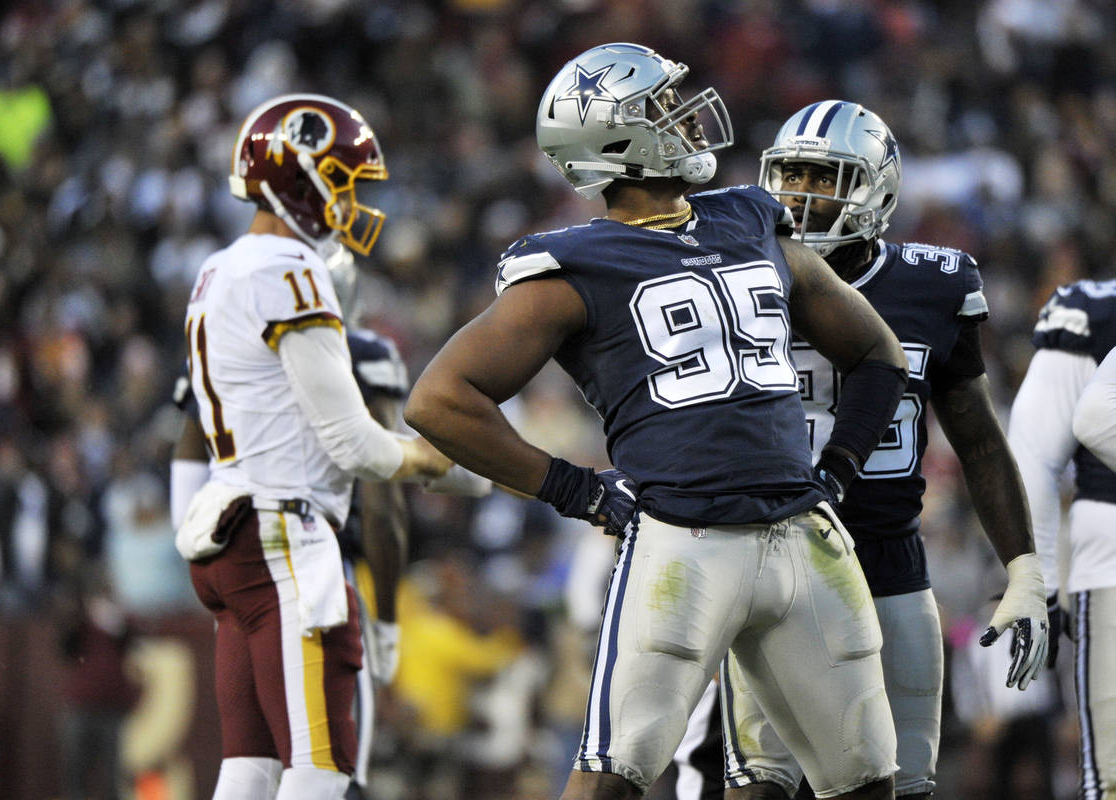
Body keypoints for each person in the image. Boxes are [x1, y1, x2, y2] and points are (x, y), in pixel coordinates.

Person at [406, 42, 911, 800]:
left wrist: (837, 469)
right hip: (683, 543)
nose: (682, 116)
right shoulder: (574, 265)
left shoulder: (747, 216)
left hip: (801, 534)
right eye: (659, 107)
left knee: (868, 784)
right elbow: (439, 399)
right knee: (614, 778)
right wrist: (573, 490)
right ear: (613, 141)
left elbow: (877, 351)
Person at [657, 100, 1050, 800]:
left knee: (900, 785)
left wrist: (1023, 567)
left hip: (887, 565)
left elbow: (980, 441)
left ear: (878, 190)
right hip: (764, 562)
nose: (803, 194)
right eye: (793, 175)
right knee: (754, 784)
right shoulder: (738, 273)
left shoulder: (934, 284)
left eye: (825, 176)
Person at [176, 93, 452, 800]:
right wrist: (434, 459)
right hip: (282, 536)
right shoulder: (290, 272)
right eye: (344, 178)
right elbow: (355, 444)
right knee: (320, 769)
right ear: (300, 176)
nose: (351, 199)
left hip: (232, 534)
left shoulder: (220, 268)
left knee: (249, 765)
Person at [1009, 280, 1116, 800]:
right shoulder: (1092, 313)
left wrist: (1042, 586)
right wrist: (1041, 581)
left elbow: (1032, 455)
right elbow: (1038, 452)